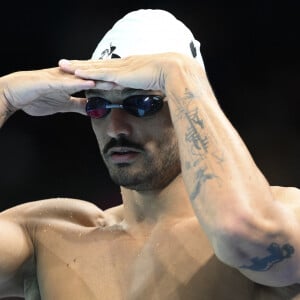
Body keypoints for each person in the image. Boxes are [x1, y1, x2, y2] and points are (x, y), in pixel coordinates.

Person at [0, 8, 299, 300]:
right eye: (99, 106)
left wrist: (179, 74)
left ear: (188, 101)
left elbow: (238, 230)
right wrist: (5, 94)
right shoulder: (52, 236)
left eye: (142, 103)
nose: (115, 128)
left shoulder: (285, 211)